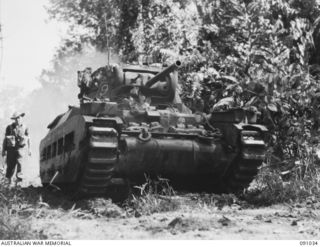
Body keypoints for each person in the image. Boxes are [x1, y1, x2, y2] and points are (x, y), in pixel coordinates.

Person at [2, 111, 31, 187]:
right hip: (11, 151)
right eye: (16, 118)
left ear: (21, 117)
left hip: (21, 150)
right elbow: (5, 139)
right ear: (14, 119)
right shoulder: (9, 127)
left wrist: (29, 149)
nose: (17, 119)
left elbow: (28, 138)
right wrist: (3, 150)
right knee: (10, 167)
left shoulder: (25, 127)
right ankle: (8, 184)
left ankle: (19, 185)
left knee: (20, 167)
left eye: (19, 117)